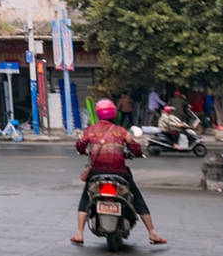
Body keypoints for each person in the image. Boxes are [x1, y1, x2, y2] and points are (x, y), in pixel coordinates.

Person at [70, 98, 167, 246]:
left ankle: (79, 233)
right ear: (114, 114)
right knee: (137, 198)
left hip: (96, 172)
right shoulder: (120, 131)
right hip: (120, 172)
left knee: (85, 199)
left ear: (98, 114)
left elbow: (80, 145)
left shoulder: (91, 130)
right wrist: (137, 153)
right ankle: (152, 233)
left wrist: (83, 151)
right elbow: (134, 147)